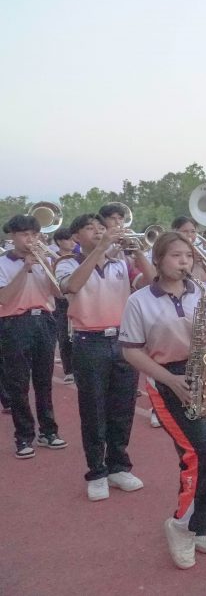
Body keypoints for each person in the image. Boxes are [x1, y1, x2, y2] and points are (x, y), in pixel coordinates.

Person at [119, 232, 206, 570]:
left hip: (203, 374)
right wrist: (170, 380)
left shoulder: (204, 291)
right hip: (167, 380)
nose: (184, 262)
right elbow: (131, 351)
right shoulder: (139, 300)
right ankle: (181, 525)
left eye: (188, 256)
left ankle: (201, 524)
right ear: (158, 260)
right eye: (176, 256)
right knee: (203, 453)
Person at [56, 214, 150, 501]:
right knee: (93, 409)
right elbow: (72, 286)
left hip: (123, 339)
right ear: (76, 237)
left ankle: (118, 466)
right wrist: (100, 249)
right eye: (90, 228)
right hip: (89, 340)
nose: (98, 231)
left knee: (123, 407)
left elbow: (152, 281)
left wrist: (137, 253)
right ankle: (96, 471)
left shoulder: (120, 260)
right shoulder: (67, 263)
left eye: (101, 227)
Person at [0, 214, 66, 459]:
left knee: (44, 381)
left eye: (34, 234)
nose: (30, 239)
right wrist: (25, 267)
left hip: (44, 320)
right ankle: (23, 436)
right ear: (12, 236)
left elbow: (59, 293)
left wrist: (47, 265)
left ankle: (48, 431)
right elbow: (4, 298)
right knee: (18, 383)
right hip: (14, 322)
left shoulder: (44, 258)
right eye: (25, 234)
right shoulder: (3, 262)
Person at [51, 227, 76, 383]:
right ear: (59, 241)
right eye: (68, 239)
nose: (72, 243)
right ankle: (69, 370)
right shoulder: (52, 258)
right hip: (60, 301)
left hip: (76, 298)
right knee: (64, 335)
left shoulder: (77, 257)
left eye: (73, 239)